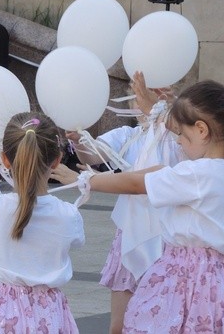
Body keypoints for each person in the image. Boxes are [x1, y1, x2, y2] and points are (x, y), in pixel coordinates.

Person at [51, 80, 224, 333]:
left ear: (202, 130)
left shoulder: (198, 174)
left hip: (188, 275)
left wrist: (86, 180)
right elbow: (159, 171)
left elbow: (137, 183)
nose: (178, 141)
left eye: (182, 134)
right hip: (218, 273)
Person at [62, 71, 184, 334]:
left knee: (166, 318)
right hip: (130, 233)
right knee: (120, 324)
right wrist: (79, 139)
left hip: (170, 237)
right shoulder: (129, 135)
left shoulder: (180, 139)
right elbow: (95, 154)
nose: (151, 98)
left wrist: (164, 107)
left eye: (161, 92)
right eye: (146, 92)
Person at [0, 112, 84, 333]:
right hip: (46, 313)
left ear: (4, 159)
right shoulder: (68, 215)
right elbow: (76, 242)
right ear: (57, 160)